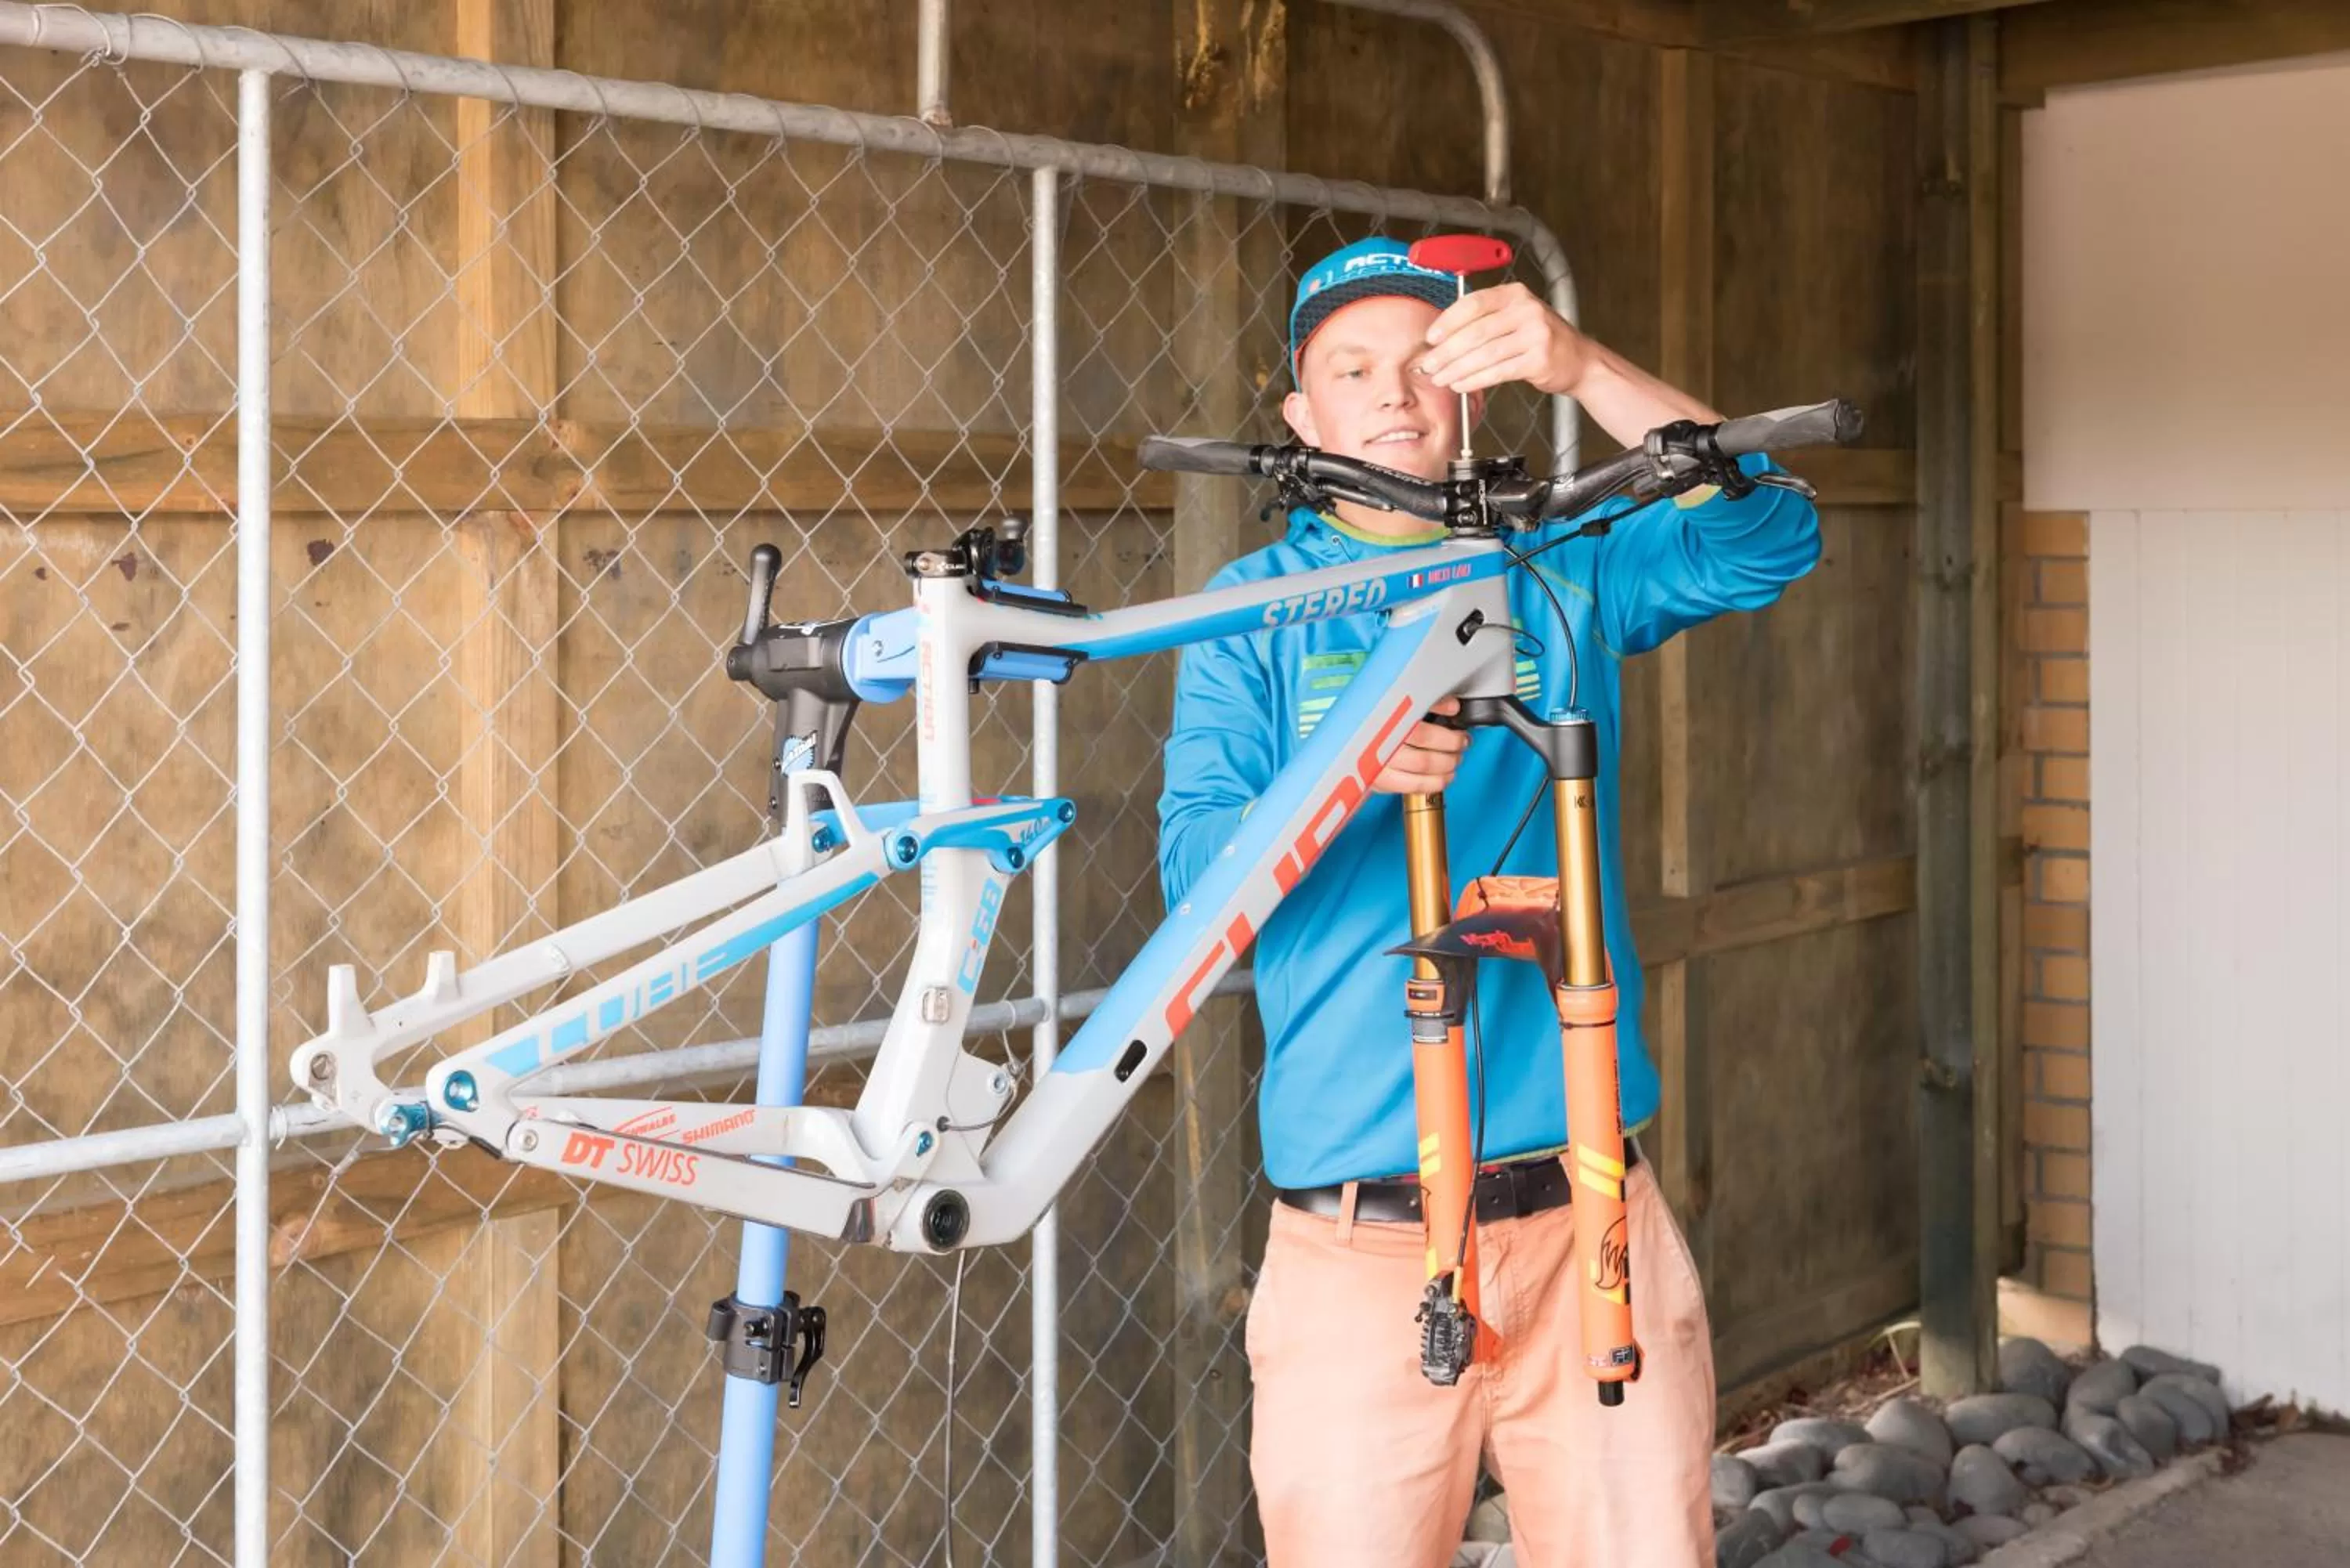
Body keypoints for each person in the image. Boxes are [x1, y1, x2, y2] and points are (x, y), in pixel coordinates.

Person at [1155, 237, 1823, 1567]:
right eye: (1354, 369)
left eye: (1427, 364)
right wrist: (1343, 772)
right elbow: (1195, 881)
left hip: (1591, 1217)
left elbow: (1768, 536)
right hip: (1361, 1245)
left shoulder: (1562, 567)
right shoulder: (1253, 608)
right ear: (1302, 416)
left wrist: (1584, 365)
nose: (1395, 395)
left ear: (1476, 392)